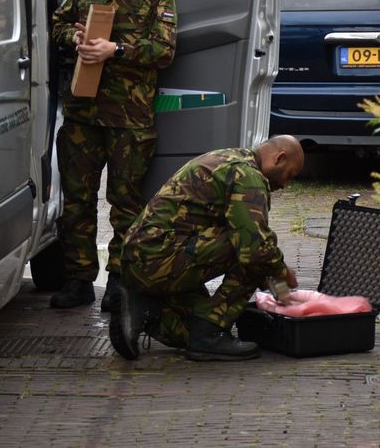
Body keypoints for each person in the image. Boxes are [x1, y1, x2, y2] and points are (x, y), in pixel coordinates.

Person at [48, 0, 177, 310]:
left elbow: (165, 50)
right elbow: (56, 25)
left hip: (129, 119)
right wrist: (76, 38)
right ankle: (79, 279)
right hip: (83, 112)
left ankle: (120, 282)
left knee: (126, 203)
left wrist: (116, 50)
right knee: (77, 200)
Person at [109, 135, 305, 361]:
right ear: (279, 158)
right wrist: (283, 279)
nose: (284, 185)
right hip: (159, 259)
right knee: (255, 251)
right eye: (289, 175)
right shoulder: (248, 176)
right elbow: (255, 250)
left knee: (189, 332)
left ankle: (143, 311)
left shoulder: (229, 158)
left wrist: (278, 290)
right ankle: (209, 333)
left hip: (144, 260)